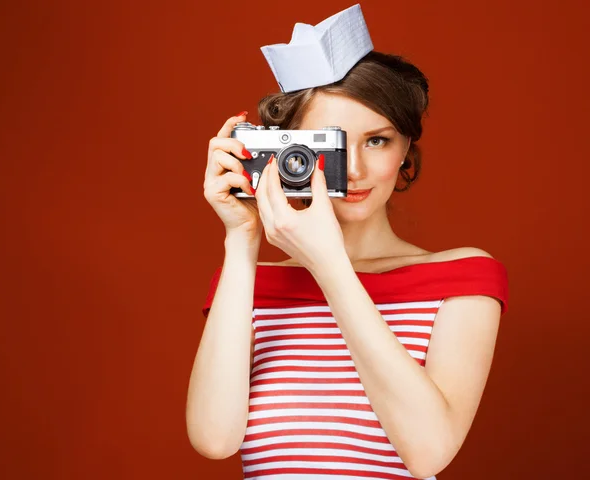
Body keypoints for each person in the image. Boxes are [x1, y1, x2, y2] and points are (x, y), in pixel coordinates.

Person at [187, 6, 509, 480]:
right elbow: (214, 440)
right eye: (330, 143)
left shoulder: (461, 278)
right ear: (286, 150)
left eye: (377, 141)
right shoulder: (247, 283)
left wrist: (332, 267)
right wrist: (241, 238)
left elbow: (428, 453)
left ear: (405, 152)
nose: (354, 170)